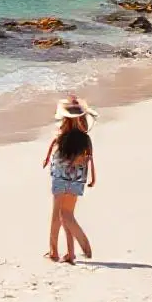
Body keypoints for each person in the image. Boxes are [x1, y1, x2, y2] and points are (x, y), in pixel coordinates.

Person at [42, 96, 97, 263]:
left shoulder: (62, 136)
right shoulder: (85, 139)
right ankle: (71, 253)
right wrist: (93, 177)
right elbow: (91, 158)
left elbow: (53, 146)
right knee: (67, 214)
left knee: (57, 214)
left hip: (60, 177)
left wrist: (46, 159)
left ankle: (55, 250)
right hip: (77, 179)